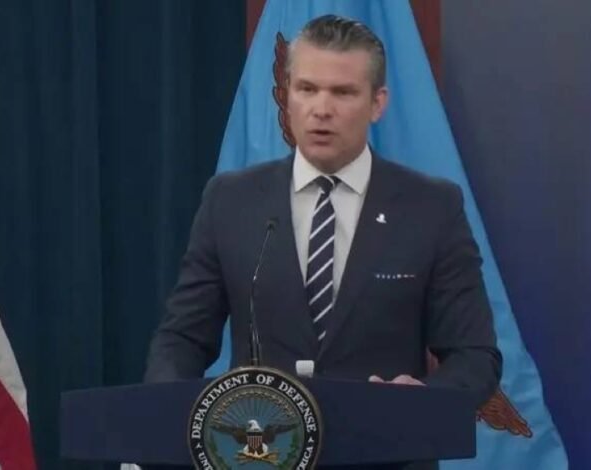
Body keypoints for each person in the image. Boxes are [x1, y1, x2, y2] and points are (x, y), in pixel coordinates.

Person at [144, 14, 502, 469]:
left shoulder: (431, 207)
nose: (321, 109)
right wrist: (163, 419)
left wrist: (422, 402)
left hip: (385, 456)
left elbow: (475, 356)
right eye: (307, 89)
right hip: (260, 456)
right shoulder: (230, 201)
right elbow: (182, 338)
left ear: (377, 103)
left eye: (343, 92)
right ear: (286, 94)